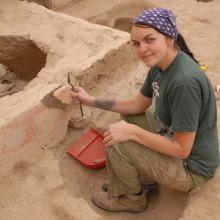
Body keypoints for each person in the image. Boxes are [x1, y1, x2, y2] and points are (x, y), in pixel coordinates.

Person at [54, 8, 219, 213]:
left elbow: (181, 149)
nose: (142, 49)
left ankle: (131, 198)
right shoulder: (161, 66)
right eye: (136, 43)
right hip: (176, 144)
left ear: (169, 38)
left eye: (150, 40)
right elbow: (136, 105)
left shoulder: (184, 83)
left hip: (192, 169)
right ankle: (144, 180)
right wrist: (89, 100)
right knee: (130, 118)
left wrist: (132, 133)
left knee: (117, 143)